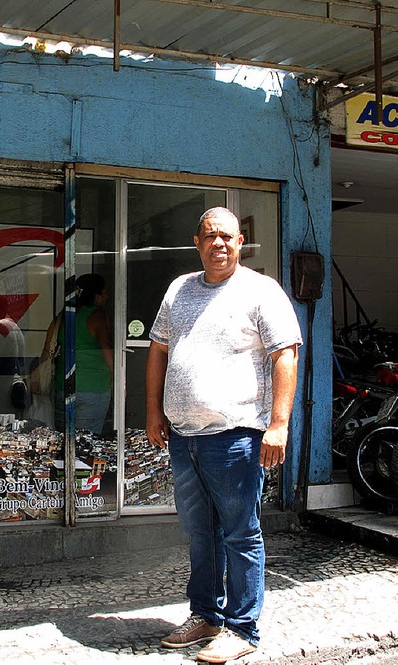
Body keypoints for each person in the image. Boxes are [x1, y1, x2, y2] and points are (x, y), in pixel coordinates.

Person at [146, 207, 302, 663]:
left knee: (239, 532)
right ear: (197, 242)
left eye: (227, 237)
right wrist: (154, 410)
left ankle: (242, 628)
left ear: (241, 242)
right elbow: (157, 351)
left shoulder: (261, 291)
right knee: (200, 533)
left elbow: (285, 356)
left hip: (236, 436)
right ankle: (206, 615)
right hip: (184, 436)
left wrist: (278, 424)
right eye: (210, 236)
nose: (219, 244)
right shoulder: (180, 290)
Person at [51, 273, 114, 435]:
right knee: (87, 443)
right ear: (97, 297)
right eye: (105, 293)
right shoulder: (98, 315)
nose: (107, 297)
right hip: (94, 388)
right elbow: (106, 347)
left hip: (62, 386)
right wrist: (117, 377)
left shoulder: (63, 316)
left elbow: (47, 349)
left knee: (64, 442)